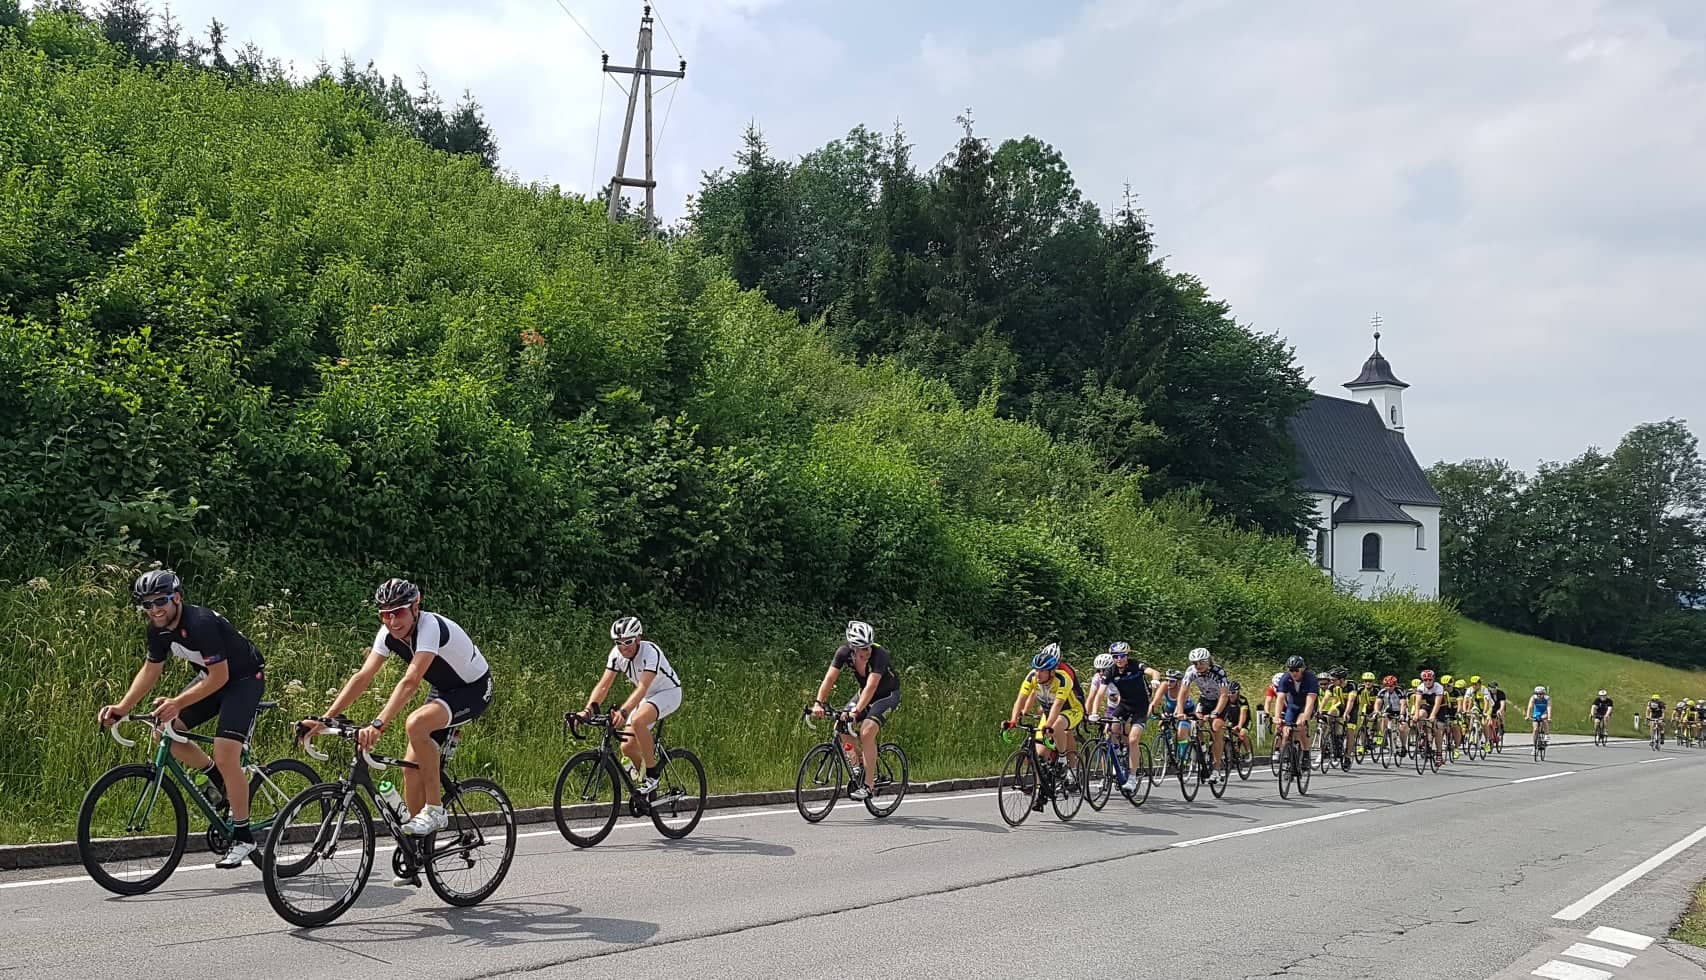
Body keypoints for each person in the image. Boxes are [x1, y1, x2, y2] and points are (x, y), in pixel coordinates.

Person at [100, 570, 267, 869]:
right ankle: (218, 779)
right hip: (211, 680)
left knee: (226, 751)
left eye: (160, 601)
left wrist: (177, 702)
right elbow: (151, 670)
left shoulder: (200, 623)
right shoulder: (158, 630)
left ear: (177, 597)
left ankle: (244, 836)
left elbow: (221, 676)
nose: (154, 610)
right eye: (146, 605)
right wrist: (122, 708)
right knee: (163, 731)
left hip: (243, 679)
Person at [305, 578, 493, 844]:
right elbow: (363, 676)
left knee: (415, 724)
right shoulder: (388, 635)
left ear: (416, 606)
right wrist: (326, 717)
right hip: (444, 690)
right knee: (411, 768)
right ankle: (416, 848)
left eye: (399, 612)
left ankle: (436, 810)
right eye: (385, 614)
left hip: (474, 689)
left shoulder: (430, 627)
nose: (393, 621)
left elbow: (411, 680)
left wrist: (378, 724)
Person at [576, 615, 684, 797]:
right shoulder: (616, 655)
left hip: (669, 692)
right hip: (648, 696)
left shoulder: (651, 652)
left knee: (639, 721)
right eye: (618, 642)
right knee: (626, 747)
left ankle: (653, 776)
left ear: (638, 638)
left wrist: (624, 712)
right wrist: (588, 710)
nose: (623, 647)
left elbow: (642, 687)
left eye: (628, 641)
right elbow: (603, 685)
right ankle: (643, 780)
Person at [810, 621, 899, 801]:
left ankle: (869, 786)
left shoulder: (879, 654)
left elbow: (872, 685)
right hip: (865, 694)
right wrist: (819, 703)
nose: (866, 652)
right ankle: (859, 764)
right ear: (852, 647)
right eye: (861, 649)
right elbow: (829, 678)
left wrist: (855, 712)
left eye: (868, 647)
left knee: (866, 732)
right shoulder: (844, 653)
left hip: (887, 695)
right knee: (840, 726)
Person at [1086, 642, 1159, 794]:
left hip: (1140, 707)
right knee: (1110, 728)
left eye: (1121, 656)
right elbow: (1100, 694)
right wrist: (1093, 713)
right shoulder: (1111, 671)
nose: (1118, 659)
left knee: (1133, 740)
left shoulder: (1135, 665)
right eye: (1115, 656)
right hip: (1124, 705)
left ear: (1127, 656)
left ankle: (1132, 778)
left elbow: (1154, 672)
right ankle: (1118, 755)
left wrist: (1155, 680)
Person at [1007, 643, 1085, 766]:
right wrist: (1013, 720)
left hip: (1071, 709)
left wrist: (1048, 726)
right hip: (1049, 709)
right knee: (1041, 755)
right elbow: (1021, 698)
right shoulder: (1032, 677)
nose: (1038, 674)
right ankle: (1041, 784)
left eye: (1042, 670)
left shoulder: (1063, 678)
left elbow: (1058, 705)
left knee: (1058, 725)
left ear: (1052, 671)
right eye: (1036, 669)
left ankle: (1064, 760)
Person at [1177, 647, 1231, 774]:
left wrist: (1216, 712)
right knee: (1195, 724)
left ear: (1208, 661)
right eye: (1195, 663)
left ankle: (1216, 767)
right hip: (1205, 700)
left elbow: (1224, 695)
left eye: (1202, 662)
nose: (1198, 665)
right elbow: (1183, 692)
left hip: (1220, 702)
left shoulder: (1219, 672)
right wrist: (1179, 710)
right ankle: (1202, 748)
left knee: (1216, 727)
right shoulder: (1191, 671)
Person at [1273, 656, 1319, 768]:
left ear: (1302, 669)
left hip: (1307, 705)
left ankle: (1306, 753)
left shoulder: (1310, 678)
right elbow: (1280, 699)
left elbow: (1310, 700)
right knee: (1286, 729)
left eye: (1296, 670)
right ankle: (1290, 759)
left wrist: (1306, 716)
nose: (1293, 673)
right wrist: (1277, 716)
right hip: (1293, 705)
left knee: (1300, 726)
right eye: (1291, 670)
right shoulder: (1285, 678)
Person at [1411, 670, 1449, 760]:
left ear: (1433, 679)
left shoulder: (1438, 687)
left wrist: (1432, 716)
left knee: (1437, 729)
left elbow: (1437, 704)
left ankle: (1439, 753)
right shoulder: (1421, 687)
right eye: (1425, 680)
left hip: (1440, 708)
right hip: (1427, 706)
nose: (1427, 682)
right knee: (1420, 714)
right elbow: (1417, 703)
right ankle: (1422, 735)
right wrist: (1416, 715)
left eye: (1430, 680)